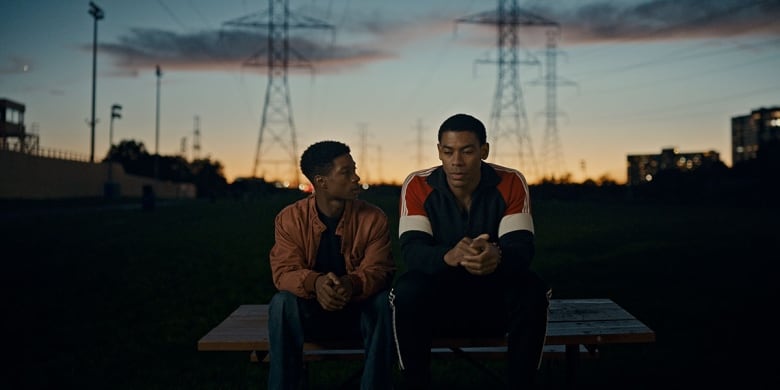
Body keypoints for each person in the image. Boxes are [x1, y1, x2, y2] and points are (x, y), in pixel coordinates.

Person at [389, 113, 551, 389]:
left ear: (484, 151)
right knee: (406, 290)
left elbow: (521, 248)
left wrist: (495, 256)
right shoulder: (417, 184)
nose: (456, 161)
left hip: (493, 292)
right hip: (440, 294)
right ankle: (416, 384)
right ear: (439, 151)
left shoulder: (510, 181)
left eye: (467, 151)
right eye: (448, 151)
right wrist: (448, 256)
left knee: (532, 289)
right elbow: (412, 250)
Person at [267, 140, 396, 390]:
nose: (356, 178)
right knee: (281, 304)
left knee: (383, 303)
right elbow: (284, 271)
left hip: (358, 312)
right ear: (321, 181)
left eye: (354, 169)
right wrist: (316, 283)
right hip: (311, 314)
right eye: (346, 172)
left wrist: (350, 284)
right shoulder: (290, 218)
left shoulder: (374, 218)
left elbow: (381, 271)